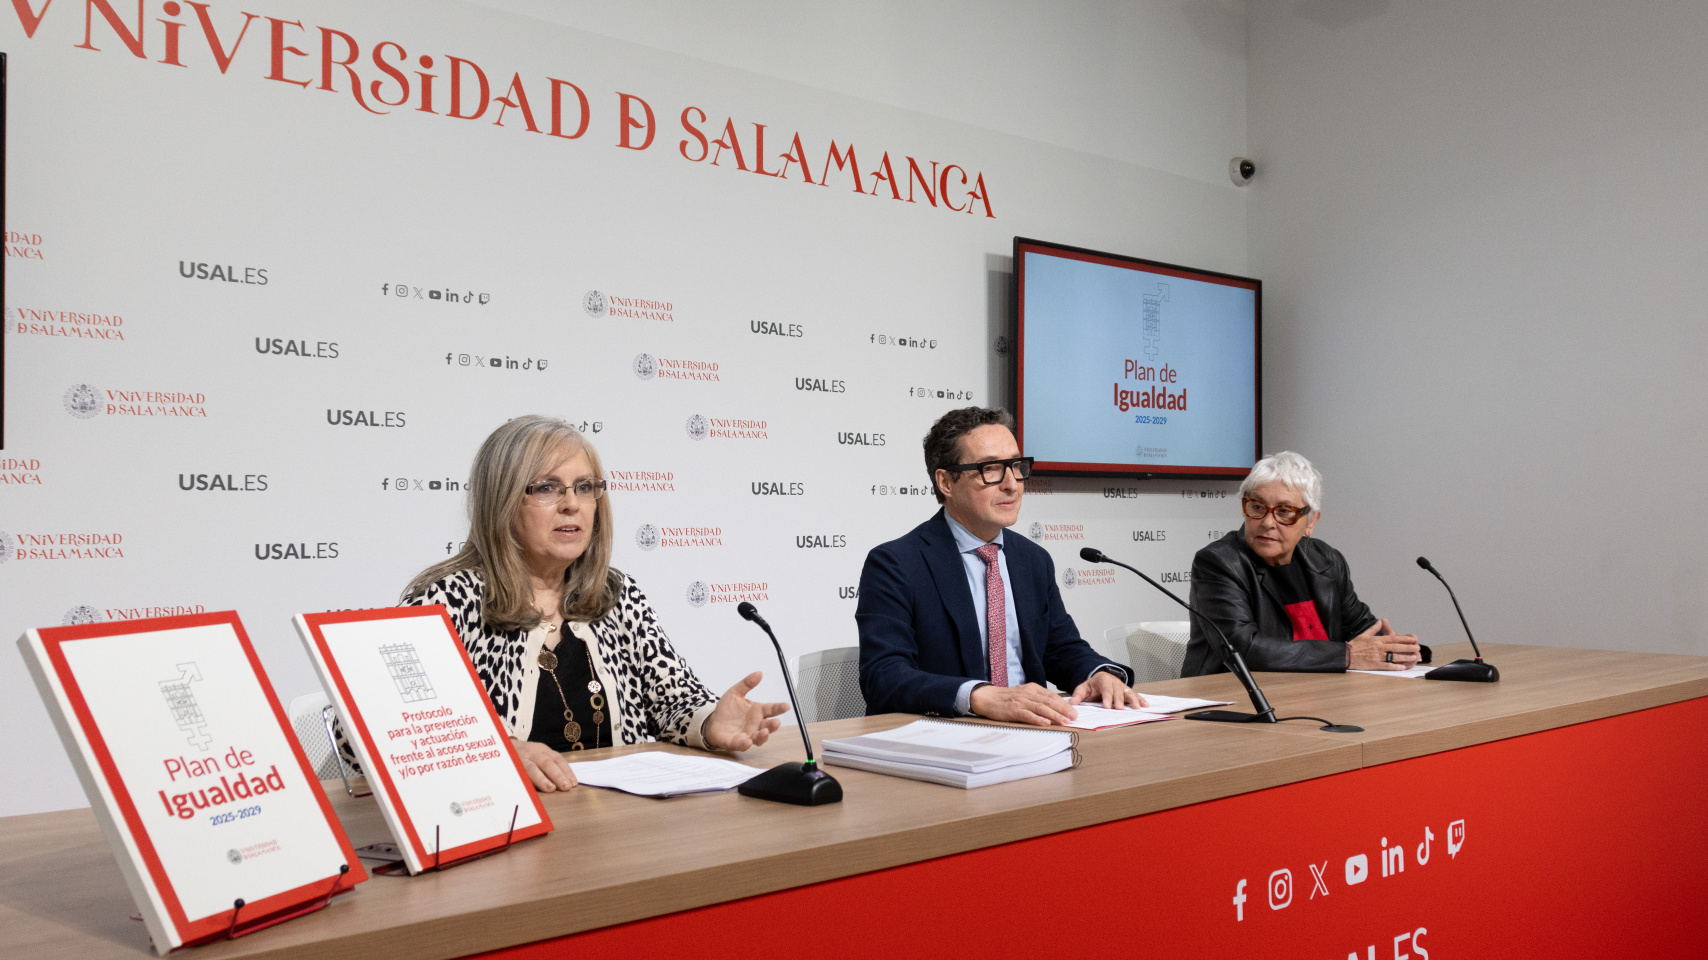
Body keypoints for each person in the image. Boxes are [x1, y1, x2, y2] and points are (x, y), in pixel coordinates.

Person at [395, 415, 788, 792]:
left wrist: (710, 721)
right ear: (503, 501)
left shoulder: (615, 594)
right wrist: (497, 751)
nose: (572, 504)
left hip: (615, 825)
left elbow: (672, 699)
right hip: (508, 824)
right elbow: (386, 733)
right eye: (547, 487)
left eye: (584, 487)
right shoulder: (448, 600)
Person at [856, 406, 1145, 725]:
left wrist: (1098, 674)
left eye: (1017, 466)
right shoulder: (896, 563)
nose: (1012, 484)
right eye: (991, 469)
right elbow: (884, 676)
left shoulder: (1032, 559)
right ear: (946, 482)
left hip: (1034, 733)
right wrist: (979, 696)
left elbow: (1061, 648)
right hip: (943, 738)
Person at [1180, 451, 1424, 676]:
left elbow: (1361, 629)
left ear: (1311, 521)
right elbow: (1243, 648)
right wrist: (1346, 655)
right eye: (1257, 507)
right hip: (1232, 700)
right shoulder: (1219, 562)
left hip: (1319, 694)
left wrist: (1396, 649)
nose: (1267, 522)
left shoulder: (1325, 560)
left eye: (1284, 511)